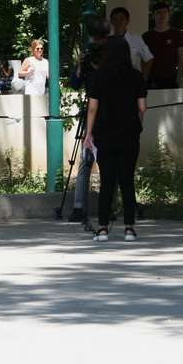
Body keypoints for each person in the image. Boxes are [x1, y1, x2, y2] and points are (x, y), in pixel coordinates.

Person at [84, 36, 148, 242]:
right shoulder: (136, 77)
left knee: (107, 182)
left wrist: (89, 133)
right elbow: (142, 107)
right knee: (127, 181)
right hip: (129, 133)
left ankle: (102, 229)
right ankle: (129, 228)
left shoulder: (98, 77)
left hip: (105, 134)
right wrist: (137, 124)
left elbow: (93, 107)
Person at [66, 18, 110, 223]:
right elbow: (74, 84)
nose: (99, 43)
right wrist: (79, 65)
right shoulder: (88, 55)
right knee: (85, 160)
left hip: (109, 113)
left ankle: (108, 206)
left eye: (102, 38)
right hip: (90, 115)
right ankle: (78, 207)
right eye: (96, 38)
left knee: (108, 162)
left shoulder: (114, 53)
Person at [142, 1, 183, 89]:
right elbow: (143, 58)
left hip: (170, 78)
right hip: (152, 78)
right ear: (153, 15)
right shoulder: (147, 36)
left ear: (168, 14)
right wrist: (144, 76)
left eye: (164, 12)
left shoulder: (177, 35)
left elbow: (180, 58)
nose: (162, 15)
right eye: (158, 12)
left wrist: (178, 79)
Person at [109, 6, 154, 79]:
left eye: (121, 19)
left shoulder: (136, 39)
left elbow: (148, 58)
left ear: (127, 21)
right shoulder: (106, 39)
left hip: (130, 77)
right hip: (111, 77)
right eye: (115, 19)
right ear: (111, 22)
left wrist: (144, 76)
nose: (118, 22)